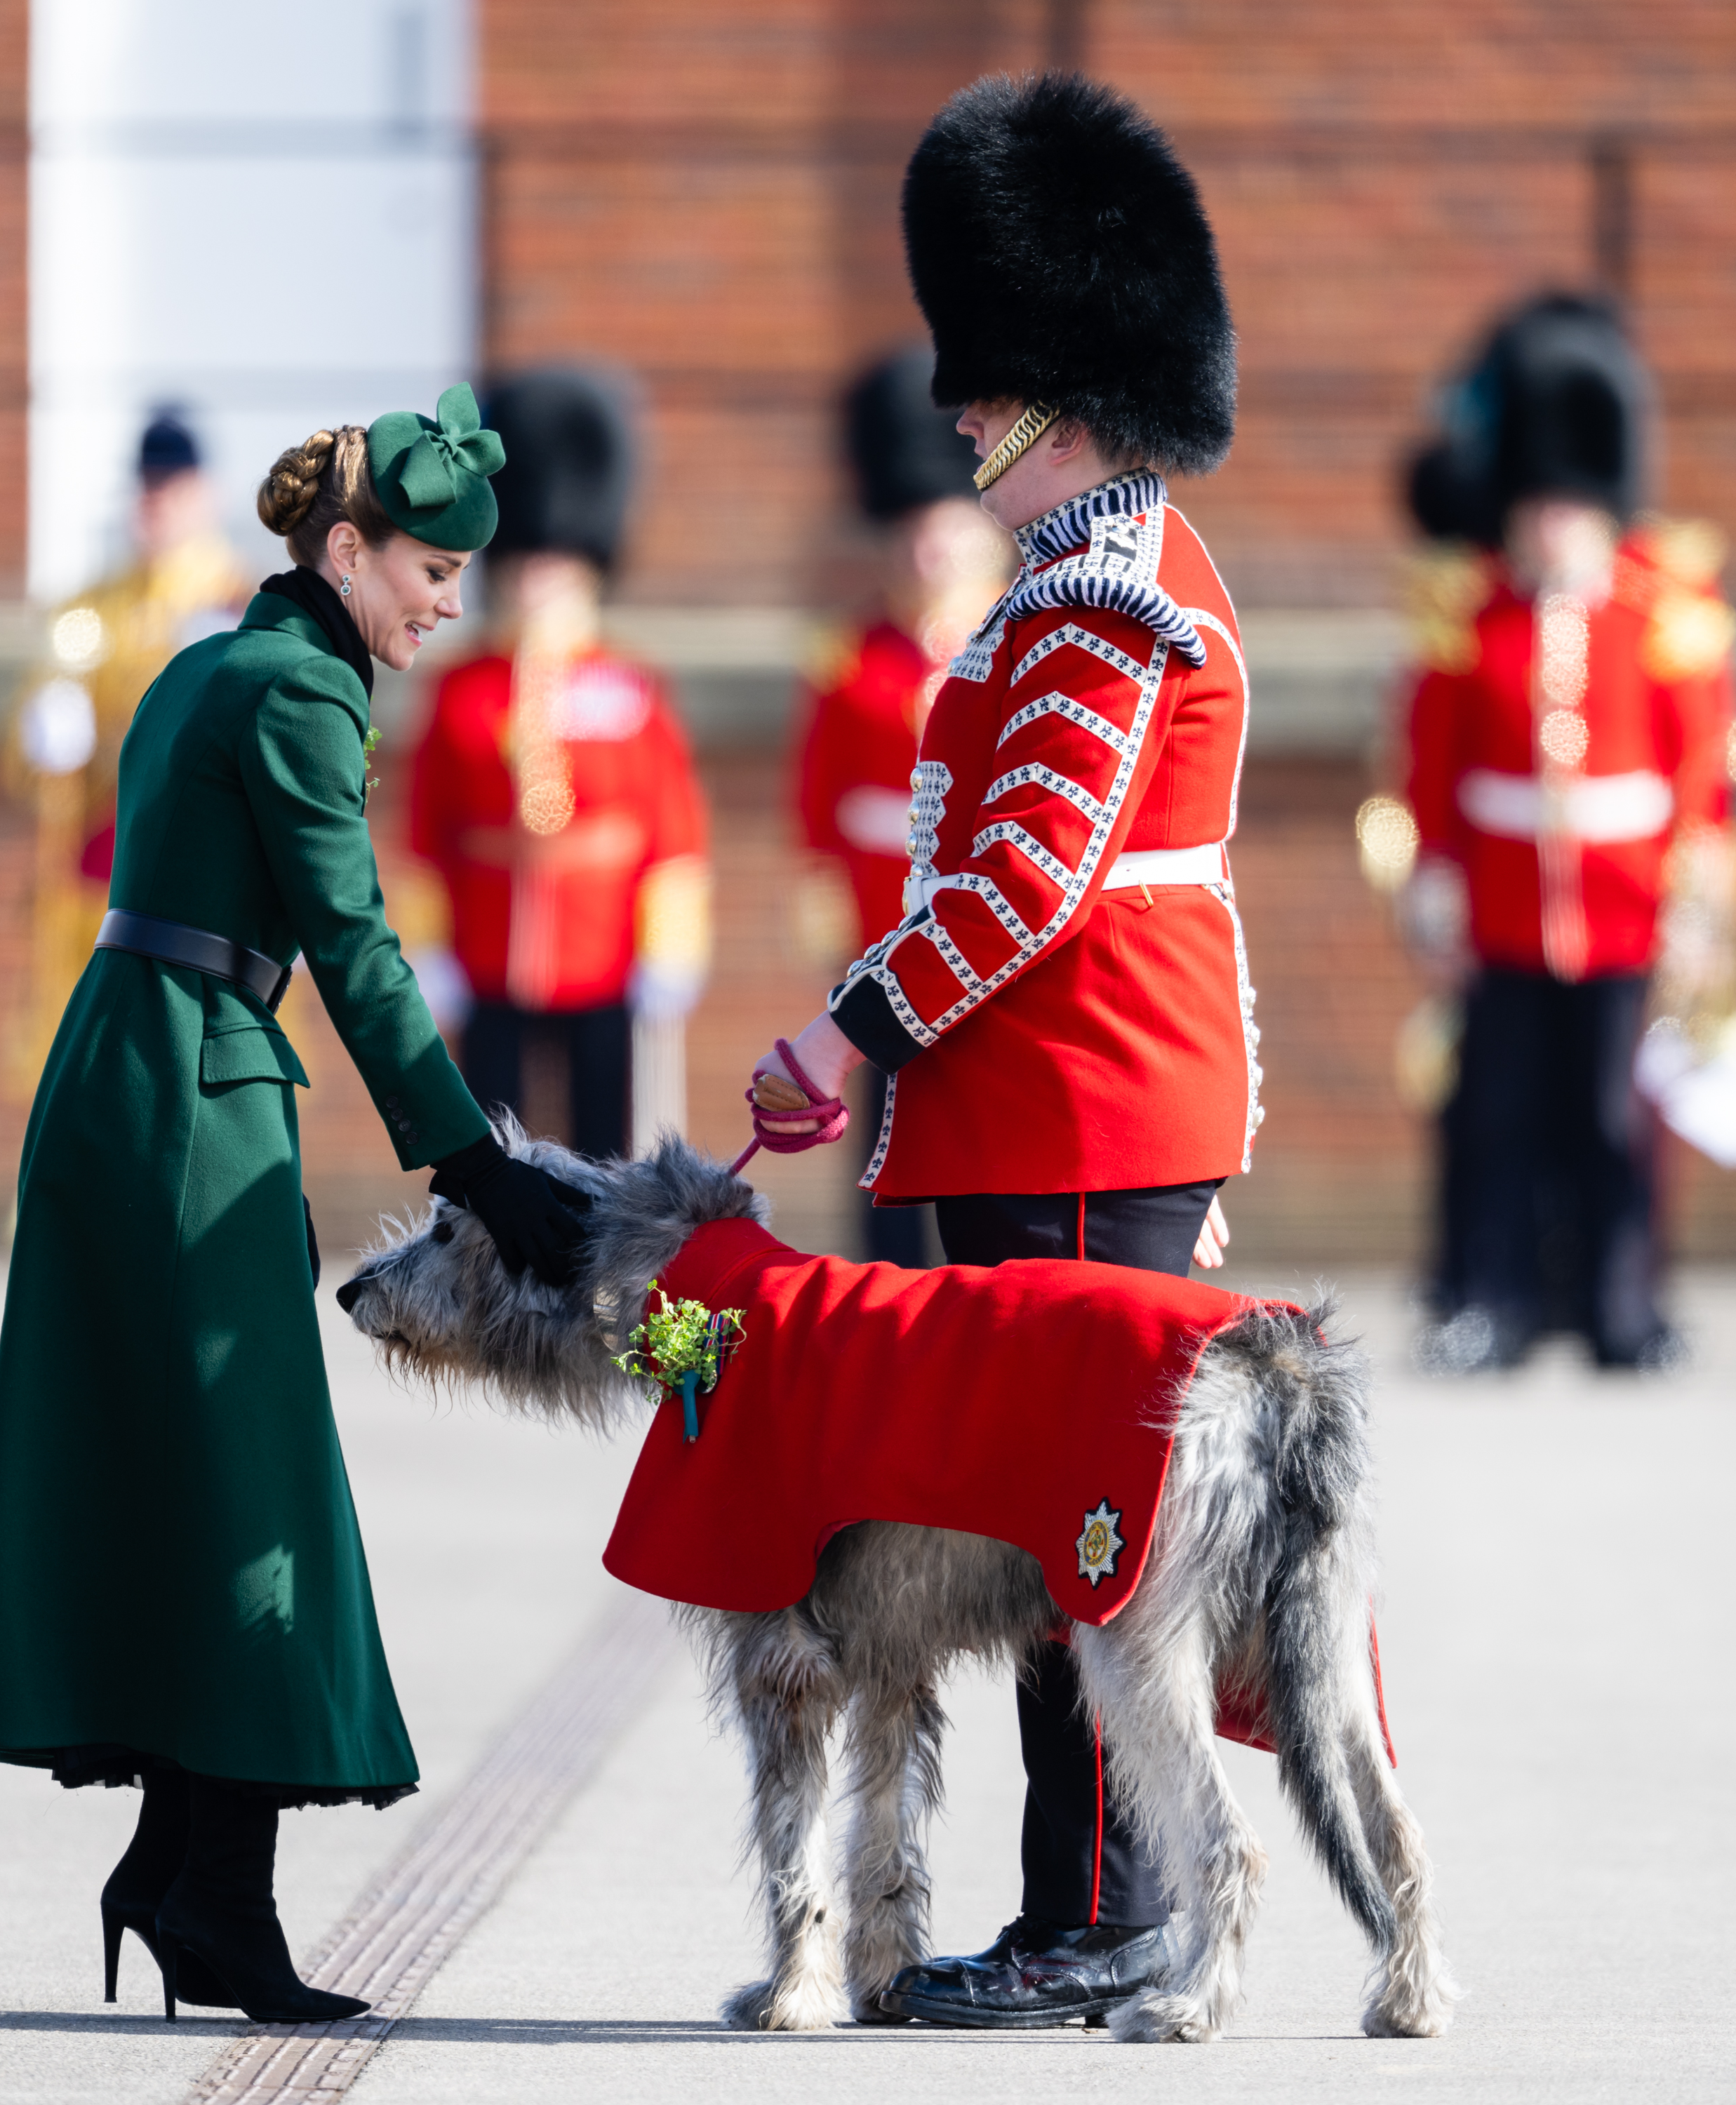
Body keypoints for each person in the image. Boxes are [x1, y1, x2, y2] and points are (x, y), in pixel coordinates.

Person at [0, 387, 591, 2024]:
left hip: (138, 1082)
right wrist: (473, 1162)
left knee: (191, 1482)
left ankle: (185, 1877)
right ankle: (210, 1890)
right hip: (191, 1099)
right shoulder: (304, 694)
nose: (449, 605)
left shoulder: (206, 662)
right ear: (346, 551)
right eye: (431, 572)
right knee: (252, 1499)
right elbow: (354, 946)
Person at [748, 74, 1257, 2027]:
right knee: (1059, 1540)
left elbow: (1025, 892)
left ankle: (1105, 1922)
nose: (960, 413)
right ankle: (1083, 1911)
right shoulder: (1073, 586)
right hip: (1085, 1109)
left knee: (1088, 1546)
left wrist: (835, 1027)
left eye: (987, 383)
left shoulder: (1099, 601)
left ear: (1066, 384)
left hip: (1076, 1113)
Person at [1395, 295, 1733, 1371]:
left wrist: (1694, 901)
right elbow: (1431, 771)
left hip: (1625, 920)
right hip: (1501, 916)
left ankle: (1619, 1307)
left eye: (1565, 506)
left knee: (1613, 1126)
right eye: (1533, 504)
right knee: (1495, 1117)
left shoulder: (1659, 622)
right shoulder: (1470, 623)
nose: (1548, 524)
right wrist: (1432, 889)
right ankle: (1492, 1305)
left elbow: (1700, 777)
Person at [410, 370, 710, 1161]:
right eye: (526, 564)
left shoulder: (629, 683)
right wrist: (429, 945)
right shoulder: (462, 688)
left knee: (602, 1154)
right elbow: (426, 829)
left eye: (556, 565)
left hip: (602, 954)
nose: (538, 580)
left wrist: (670, 948)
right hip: (486, 949)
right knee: (487, 1150)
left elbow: (672, 831)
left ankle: (598, 1288)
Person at [793, 347, 1015, 1261]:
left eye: (949, 529)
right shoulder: (853, 662)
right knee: (887, 1131)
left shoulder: (1018, 641)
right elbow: (820, 803)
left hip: (996, 930)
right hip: (887, 930)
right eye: (916, 532)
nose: (930, 552)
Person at [0, 413, 250, 1099]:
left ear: (206, 495)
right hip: (96, 878)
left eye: (171, 486)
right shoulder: (88, 611)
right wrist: (40, 734)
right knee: (88, 1074)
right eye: (146, 486)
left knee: (183, 1077)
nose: (155, 502)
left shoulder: (242, 606)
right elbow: (29, 761)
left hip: (198, 884)